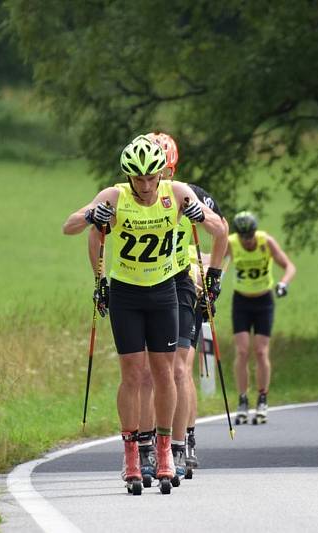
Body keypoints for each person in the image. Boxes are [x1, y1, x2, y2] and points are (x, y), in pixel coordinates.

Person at [63, 134, 226, 492]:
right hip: (126, 294)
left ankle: (167, 451)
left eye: (152, 177)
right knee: (134, 376)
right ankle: (132, 456)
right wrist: (92, 215)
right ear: (128, 176)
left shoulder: (178, 192)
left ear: (162, 174)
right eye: (139, 178)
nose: (147, 185)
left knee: (166, 373)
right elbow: (71, 226)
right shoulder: (115, 196)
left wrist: (202, 220)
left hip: (166, 291)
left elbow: (220, 230)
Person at [125, 132, 228, 481]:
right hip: (147, 281)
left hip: (184, 280)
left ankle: (183, 443)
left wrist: (212, 275)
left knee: (178, 369)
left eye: (164, 172)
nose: (157, 182)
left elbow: (221, 232)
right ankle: (149, 445)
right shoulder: (134, 195)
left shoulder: (189, 193)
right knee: (148, 373)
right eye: (154, 174)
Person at [226, 211, 296, 425]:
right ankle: (242, 399)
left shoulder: (266, 242)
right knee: (242, 350)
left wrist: (283, 283)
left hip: (264, 301)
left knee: (261, 350)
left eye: (250, 236)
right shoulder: (232, 242)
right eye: (243, 236)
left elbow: (289, 266)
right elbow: (220, 263)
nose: (247, 241)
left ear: (255, 232)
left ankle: (262, 398)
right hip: (241, 301)